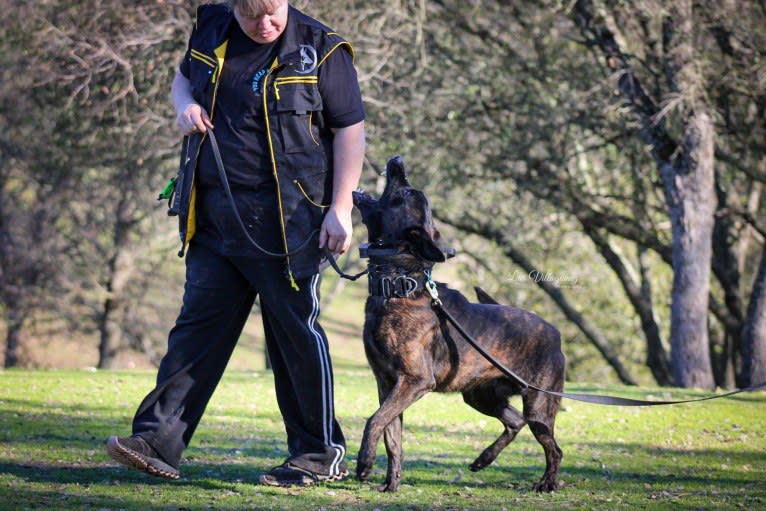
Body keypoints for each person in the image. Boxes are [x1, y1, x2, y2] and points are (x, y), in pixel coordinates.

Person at [106, 0, 365, 487]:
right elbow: (183, 78)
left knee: (294, 339)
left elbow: (350, 132)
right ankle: (156, 442)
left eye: (273, 15)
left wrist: (341, 208)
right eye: (252, 17)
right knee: (194, 333)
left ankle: (318, 455)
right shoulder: (212, 27)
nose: (264, 26)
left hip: (290, 224)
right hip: (214, 217)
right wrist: (183, 105)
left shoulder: (323, 51)